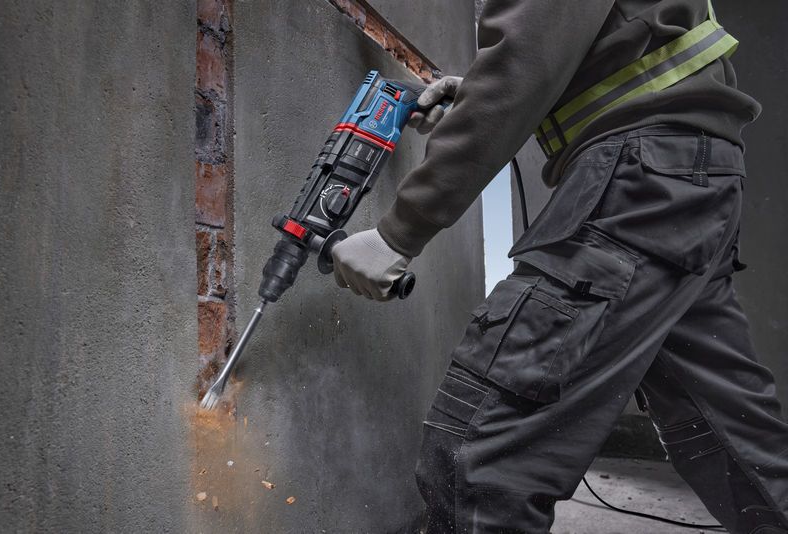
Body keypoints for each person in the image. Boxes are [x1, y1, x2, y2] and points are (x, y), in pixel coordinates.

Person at [331, 0, 788, 532]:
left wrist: (398, 232)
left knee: (484, 456)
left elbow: (522, 62)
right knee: (732, 436)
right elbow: (565, 52)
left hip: (643, 179)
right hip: (690, 178)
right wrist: (480, 94)